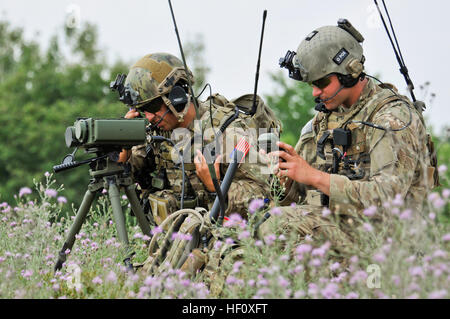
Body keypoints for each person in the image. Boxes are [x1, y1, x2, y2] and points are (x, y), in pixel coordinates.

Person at [259, 19, 438, 253]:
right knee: (263, 224)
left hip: (393, 244)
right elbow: (306, 197)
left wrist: (313, 175)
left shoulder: (392, 119)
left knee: (281, 225)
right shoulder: (324, 120)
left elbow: (387, 200)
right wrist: (288, 177)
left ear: (349, 72)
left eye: (322, 82)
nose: (315, 92)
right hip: (347, 229)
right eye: (312, 84)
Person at [114, 52, 281, 226]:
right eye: (142, 110)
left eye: (152, 107)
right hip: (173, 241)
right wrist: (124, 148)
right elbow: (120, 182)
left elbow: (263, 195)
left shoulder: (226, 132)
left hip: (222, 240)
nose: (148, 117)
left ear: (176, 97)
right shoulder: (157, 131)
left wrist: (214, 186)